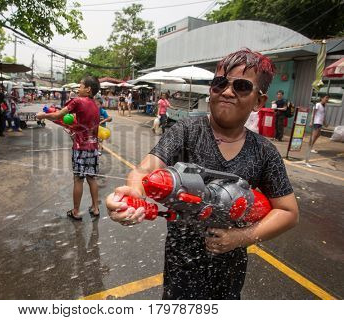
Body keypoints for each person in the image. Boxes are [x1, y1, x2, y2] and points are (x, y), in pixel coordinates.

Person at [106, 49, 299, 299]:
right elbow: (146, 169)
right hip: (180, 269)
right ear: (211, 90)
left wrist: (241, 237)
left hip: (230, 274)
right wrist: (134, 193)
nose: (227, 92)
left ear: (259, 102)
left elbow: (288, 212)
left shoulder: (264, 152)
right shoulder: (187, 130)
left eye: (241, 86)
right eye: (219, 84)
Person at [36, 76, 101, 220]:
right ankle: (95, 208)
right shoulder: (96, 105)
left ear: (88, 89)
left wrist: (43, 115)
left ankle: (76, 211)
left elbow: (59, 114)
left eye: (81, 86)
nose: (78, 89)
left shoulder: (77, 101)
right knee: (92, 178)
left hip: (80, 148)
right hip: (93, 147)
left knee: (78, 179)